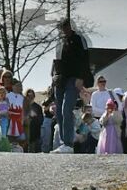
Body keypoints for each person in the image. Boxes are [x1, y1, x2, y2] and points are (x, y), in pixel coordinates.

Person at [51, 19, 91, 154]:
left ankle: (68, 143)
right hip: (60, 79)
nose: (64, 30)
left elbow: (85, 59)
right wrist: (54, 78)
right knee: (59, 112)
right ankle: (63, 142)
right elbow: (56, 61)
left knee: (66, 109)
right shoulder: (60, 42)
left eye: (66, 27)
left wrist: (81, 77)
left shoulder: (79, 39)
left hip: (73, 79)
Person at [25, 89, 43, 153]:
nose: (30, 97)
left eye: (32, 95)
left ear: (34, 96)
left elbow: (41, 120)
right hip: (25, 133)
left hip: (35, 133)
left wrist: (34, 117)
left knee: (36, 153)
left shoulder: (38, 107)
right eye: (28, 95)